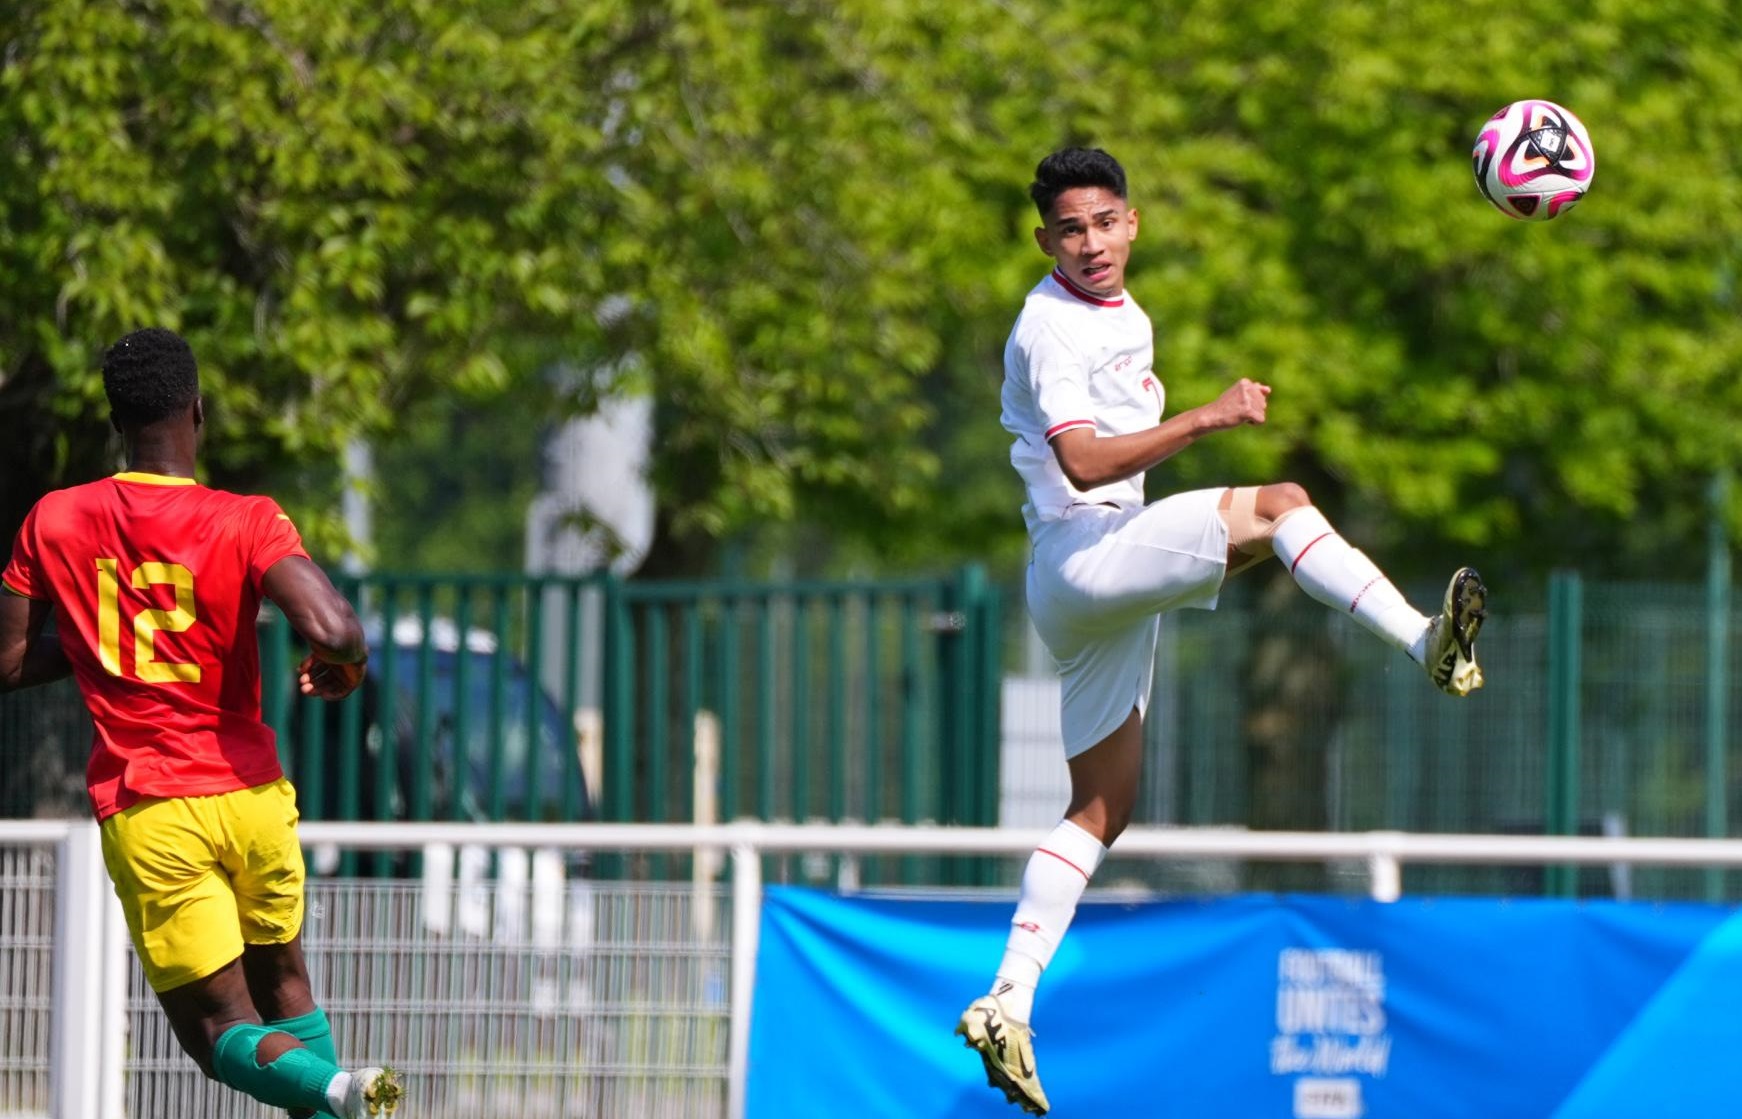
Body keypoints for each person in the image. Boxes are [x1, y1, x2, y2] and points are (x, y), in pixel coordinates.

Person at [954, 149, 1487, 1115]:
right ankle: (1422, 641)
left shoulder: (1129, 314)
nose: (1090, 243)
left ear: (1133, 223)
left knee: (1102, 810)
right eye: (1069, 229)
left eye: (1104, 222)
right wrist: (1208, 417)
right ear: (1045, 242)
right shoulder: (1049, 327)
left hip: (1081, 579)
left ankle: (1007, 999)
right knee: (1282, 504)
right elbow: (1080, 462)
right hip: (1088, 551)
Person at [0, 328, 403, 1118]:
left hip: (154, 805)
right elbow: (338, 627)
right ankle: (337, 1091)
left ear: (116, 420)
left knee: (220, 1030)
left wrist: (92, 648)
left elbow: (6, 659)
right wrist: (346, 666)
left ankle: (338, 1089)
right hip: (254, 797)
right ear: (198, 410)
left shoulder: (53, 519)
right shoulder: (247, 518)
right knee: (287, 988)